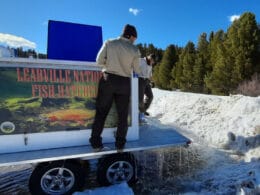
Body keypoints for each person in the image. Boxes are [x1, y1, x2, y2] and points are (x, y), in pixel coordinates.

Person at [89, 24, 141, 152]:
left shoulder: (109, 42)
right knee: (123, 115)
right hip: (124, 83)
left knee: (101, 112)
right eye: (135, 38)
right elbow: (137, 70)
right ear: (131, 36)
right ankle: (120, 145)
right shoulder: (134, 50)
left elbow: (98, 61)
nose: (134, 40)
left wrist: (110, 64)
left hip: (108, 80)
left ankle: (96, 143)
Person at [138, 54, 156, 122]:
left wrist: (151, 81)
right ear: (150, 58)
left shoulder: (150, 65)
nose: (153, 63)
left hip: (146, 81)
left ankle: (143, 111)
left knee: (150, 96)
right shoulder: (141, 60)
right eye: (153, 61)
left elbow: (150, 74)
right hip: (140, 80)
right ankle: (141, 113)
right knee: (140, 99)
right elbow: (133, 67)